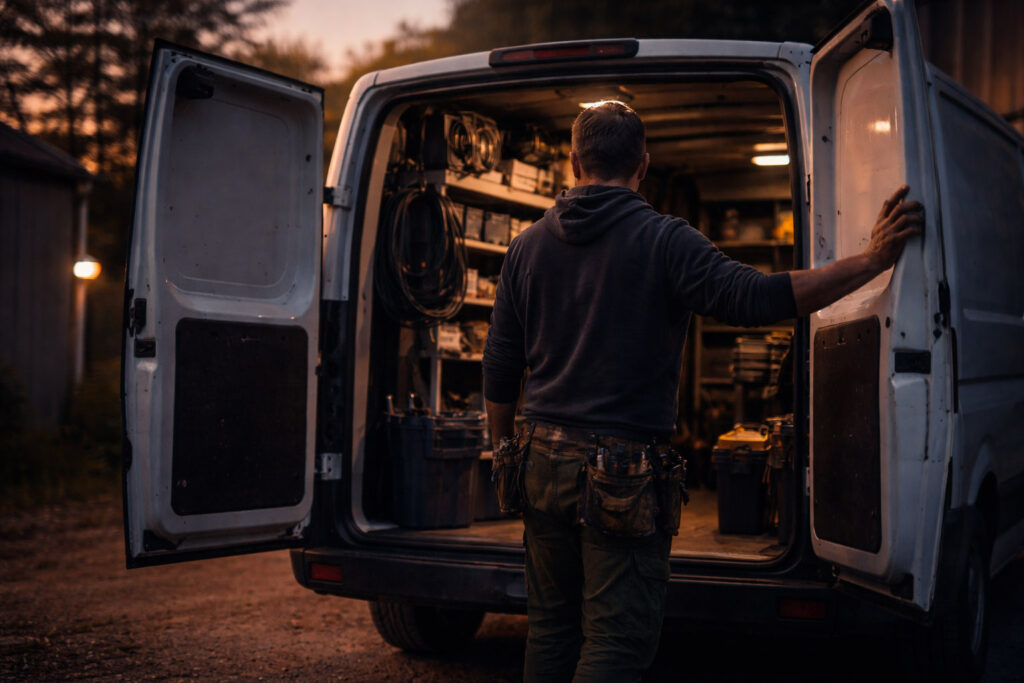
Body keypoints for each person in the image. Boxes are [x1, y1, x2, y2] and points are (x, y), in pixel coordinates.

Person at [481, 101, 923, 682]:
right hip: (620, 473)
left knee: (551, 629)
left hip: (539, 458)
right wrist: (871, 261)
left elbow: (500, 363)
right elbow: (758, 297)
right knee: (616, 642)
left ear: (573, 162)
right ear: (643, 165)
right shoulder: (666, 240)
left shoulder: (526, 246)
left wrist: (504, 451)